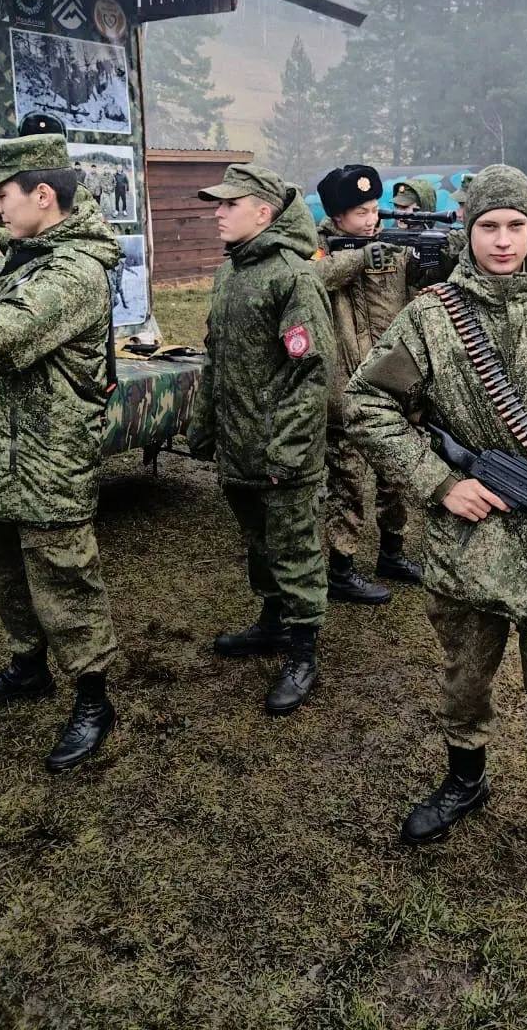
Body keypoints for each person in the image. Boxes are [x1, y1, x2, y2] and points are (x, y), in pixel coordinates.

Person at [343, 164, 527, 931]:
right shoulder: (431, 317)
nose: (503, 241)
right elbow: (367, 404)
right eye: (488, 226)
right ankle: (464, 781)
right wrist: (438, 483)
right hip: (471, 546)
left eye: (515, 226)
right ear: (468, 231)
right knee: (465, 677)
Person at [0, 133, 122, 772]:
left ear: (44, 195)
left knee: (66, 583)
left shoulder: (73, 272)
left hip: (44, 460)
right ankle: (26, 667)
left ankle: (92, 698)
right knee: (5, 576)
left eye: (3, 196)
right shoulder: (23, 256)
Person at [188, 164, 335, 715]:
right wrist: (203, 424)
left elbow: (312, 373)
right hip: (240, 447)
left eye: (229, 204)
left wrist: (288, 451)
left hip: (281, 453)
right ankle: (272, 623)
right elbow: (216, 356)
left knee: (294, 549)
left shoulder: (291, 276)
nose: (218, 212)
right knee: (259, 541)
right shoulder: (231, 272)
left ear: (263, 213)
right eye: (217, 204)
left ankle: (303, 651)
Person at [313, 164, 422, 605]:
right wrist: (360, 256)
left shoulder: (390, 245)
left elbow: (418, 287)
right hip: (343, 387)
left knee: (396, 474)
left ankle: (392, 552)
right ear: (337, 218)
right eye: (361, 212)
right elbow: (311, 280)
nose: (372, 219)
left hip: (391, 382)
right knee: (349, 482)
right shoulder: (318, 250)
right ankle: (341, 568)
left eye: (375, 209)